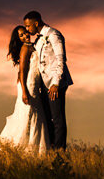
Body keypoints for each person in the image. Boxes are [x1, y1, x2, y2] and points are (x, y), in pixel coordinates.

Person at [23, 10, 73, 149]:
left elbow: (60, 59)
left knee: (57, 118)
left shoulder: (54, 35)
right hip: (44, 85)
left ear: (36, 23)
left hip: (55, 83)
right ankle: (50, 147)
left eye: (28, 26)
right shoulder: (38, 39)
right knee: (46, 117)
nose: (27, 29)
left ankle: (59, 151)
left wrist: (55, 83)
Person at [0, 24, 46, 153]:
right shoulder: (25, 48)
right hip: (28, 85)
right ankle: (22, 148)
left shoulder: (31, 46)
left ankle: (29, 147)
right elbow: (22, 71)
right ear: (18, 39)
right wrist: (24, 91)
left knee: (32, 114)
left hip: (33, 83)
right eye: (21, 35)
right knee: (28, 114)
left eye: (25, 33)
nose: (25, 36)